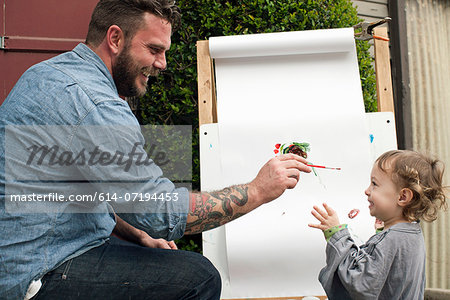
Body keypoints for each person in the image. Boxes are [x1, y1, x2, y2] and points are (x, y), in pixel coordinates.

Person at [0, 0, 311, 299]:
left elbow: (81, 193)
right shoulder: (97, 105)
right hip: (37, 273)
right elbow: (160, 212)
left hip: (29, 255)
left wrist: (137, 235)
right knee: (198, 278)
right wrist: (257, 190)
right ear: (115, 38)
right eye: (154, 49)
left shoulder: (48, 74)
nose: (161, 63)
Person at [309, 150, 448, 299]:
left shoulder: (391, 239)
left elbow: (359, 283)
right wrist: (380, 234)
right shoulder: (412, 233)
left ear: (403, 196)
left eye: (374, 184)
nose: (367, 190)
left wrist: (337, 235)